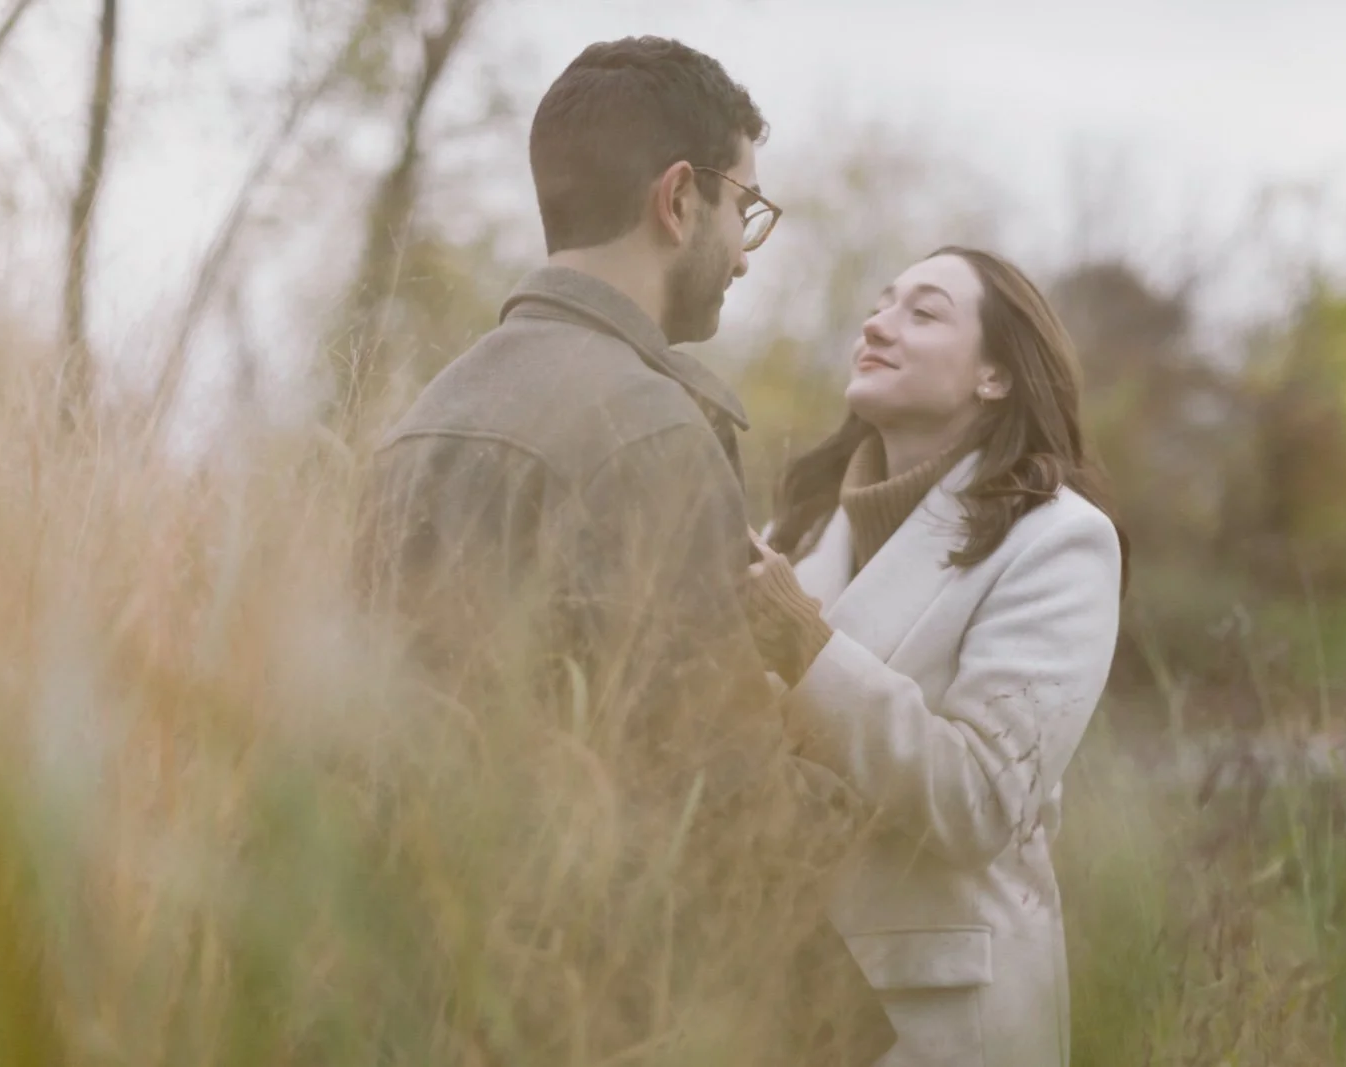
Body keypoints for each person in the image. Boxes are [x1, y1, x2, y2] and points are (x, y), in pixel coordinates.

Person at [353, 36, 891, 1065]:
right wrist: (838, 805)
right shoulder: (646, 430)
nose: (745, 250)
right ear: (679, 198)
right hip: (601, 1009)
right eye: (747, 211)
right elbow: (710, 784)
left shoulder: (420, 419)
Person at [743, 246, 1128, 1067]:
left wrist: (805, 644)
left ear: (995, 376)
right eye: (881, 305)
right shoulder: (800, 525)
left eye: (923, 312)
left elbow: (982, 798)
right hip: (776, 997)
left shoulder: (1059, 540)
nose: (877, 324)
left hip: (940, 1011)